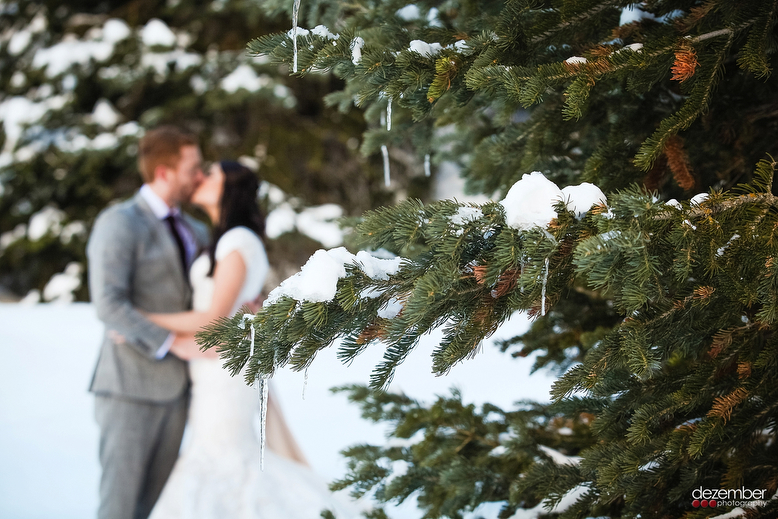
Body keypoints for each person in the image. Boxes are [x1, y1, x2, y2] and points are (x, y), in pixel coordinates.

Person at [144, 160, 360, 518]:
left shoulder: (237, 240)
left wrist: (143, 320)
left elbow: (214, 318)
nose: (200, 176)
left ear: (230, 188)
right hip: (214, 367)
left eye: (210, 174)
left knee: (225, 461)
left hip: (223, 369)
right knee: (217, 458)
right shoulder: (224, 238)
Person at [86, 125, 210, 519]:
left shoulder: (197, 231)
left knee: (151, 509)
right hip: (128, 389)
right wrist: (172, 341)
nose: (200, 176)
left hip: (180, 393)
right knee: (119, 509)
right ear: (163, 172)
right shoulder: (120, 222)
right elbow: (107, 302)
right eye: (193, 167)